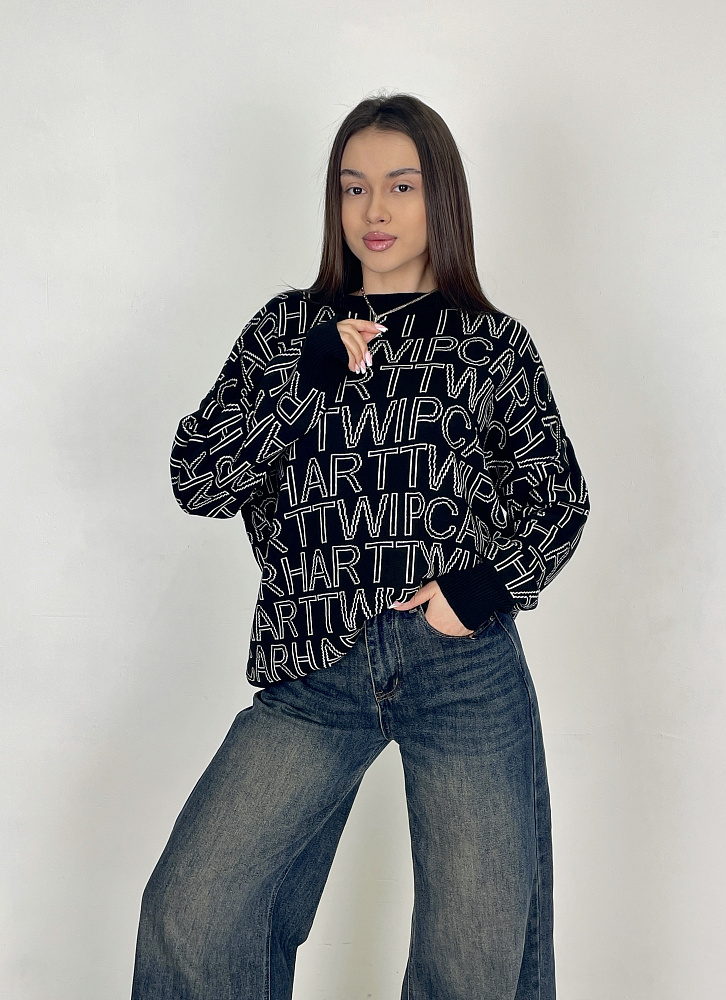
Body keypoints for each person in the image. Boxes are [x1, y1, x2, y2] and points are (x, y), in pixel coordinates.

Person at [131, 92, 590, 1000]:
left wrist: (480, 591)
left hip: (460, 669)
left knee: (474, 962)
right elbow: (199, 480)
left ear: (440, 198)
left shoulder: (489, 344)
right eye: (353, 187)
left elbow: (557, 498)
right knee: (193, 910)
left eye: (401, 186)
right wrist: (303, 380)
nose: (374, 210)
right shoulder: (285, 332)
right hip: (314, 668)